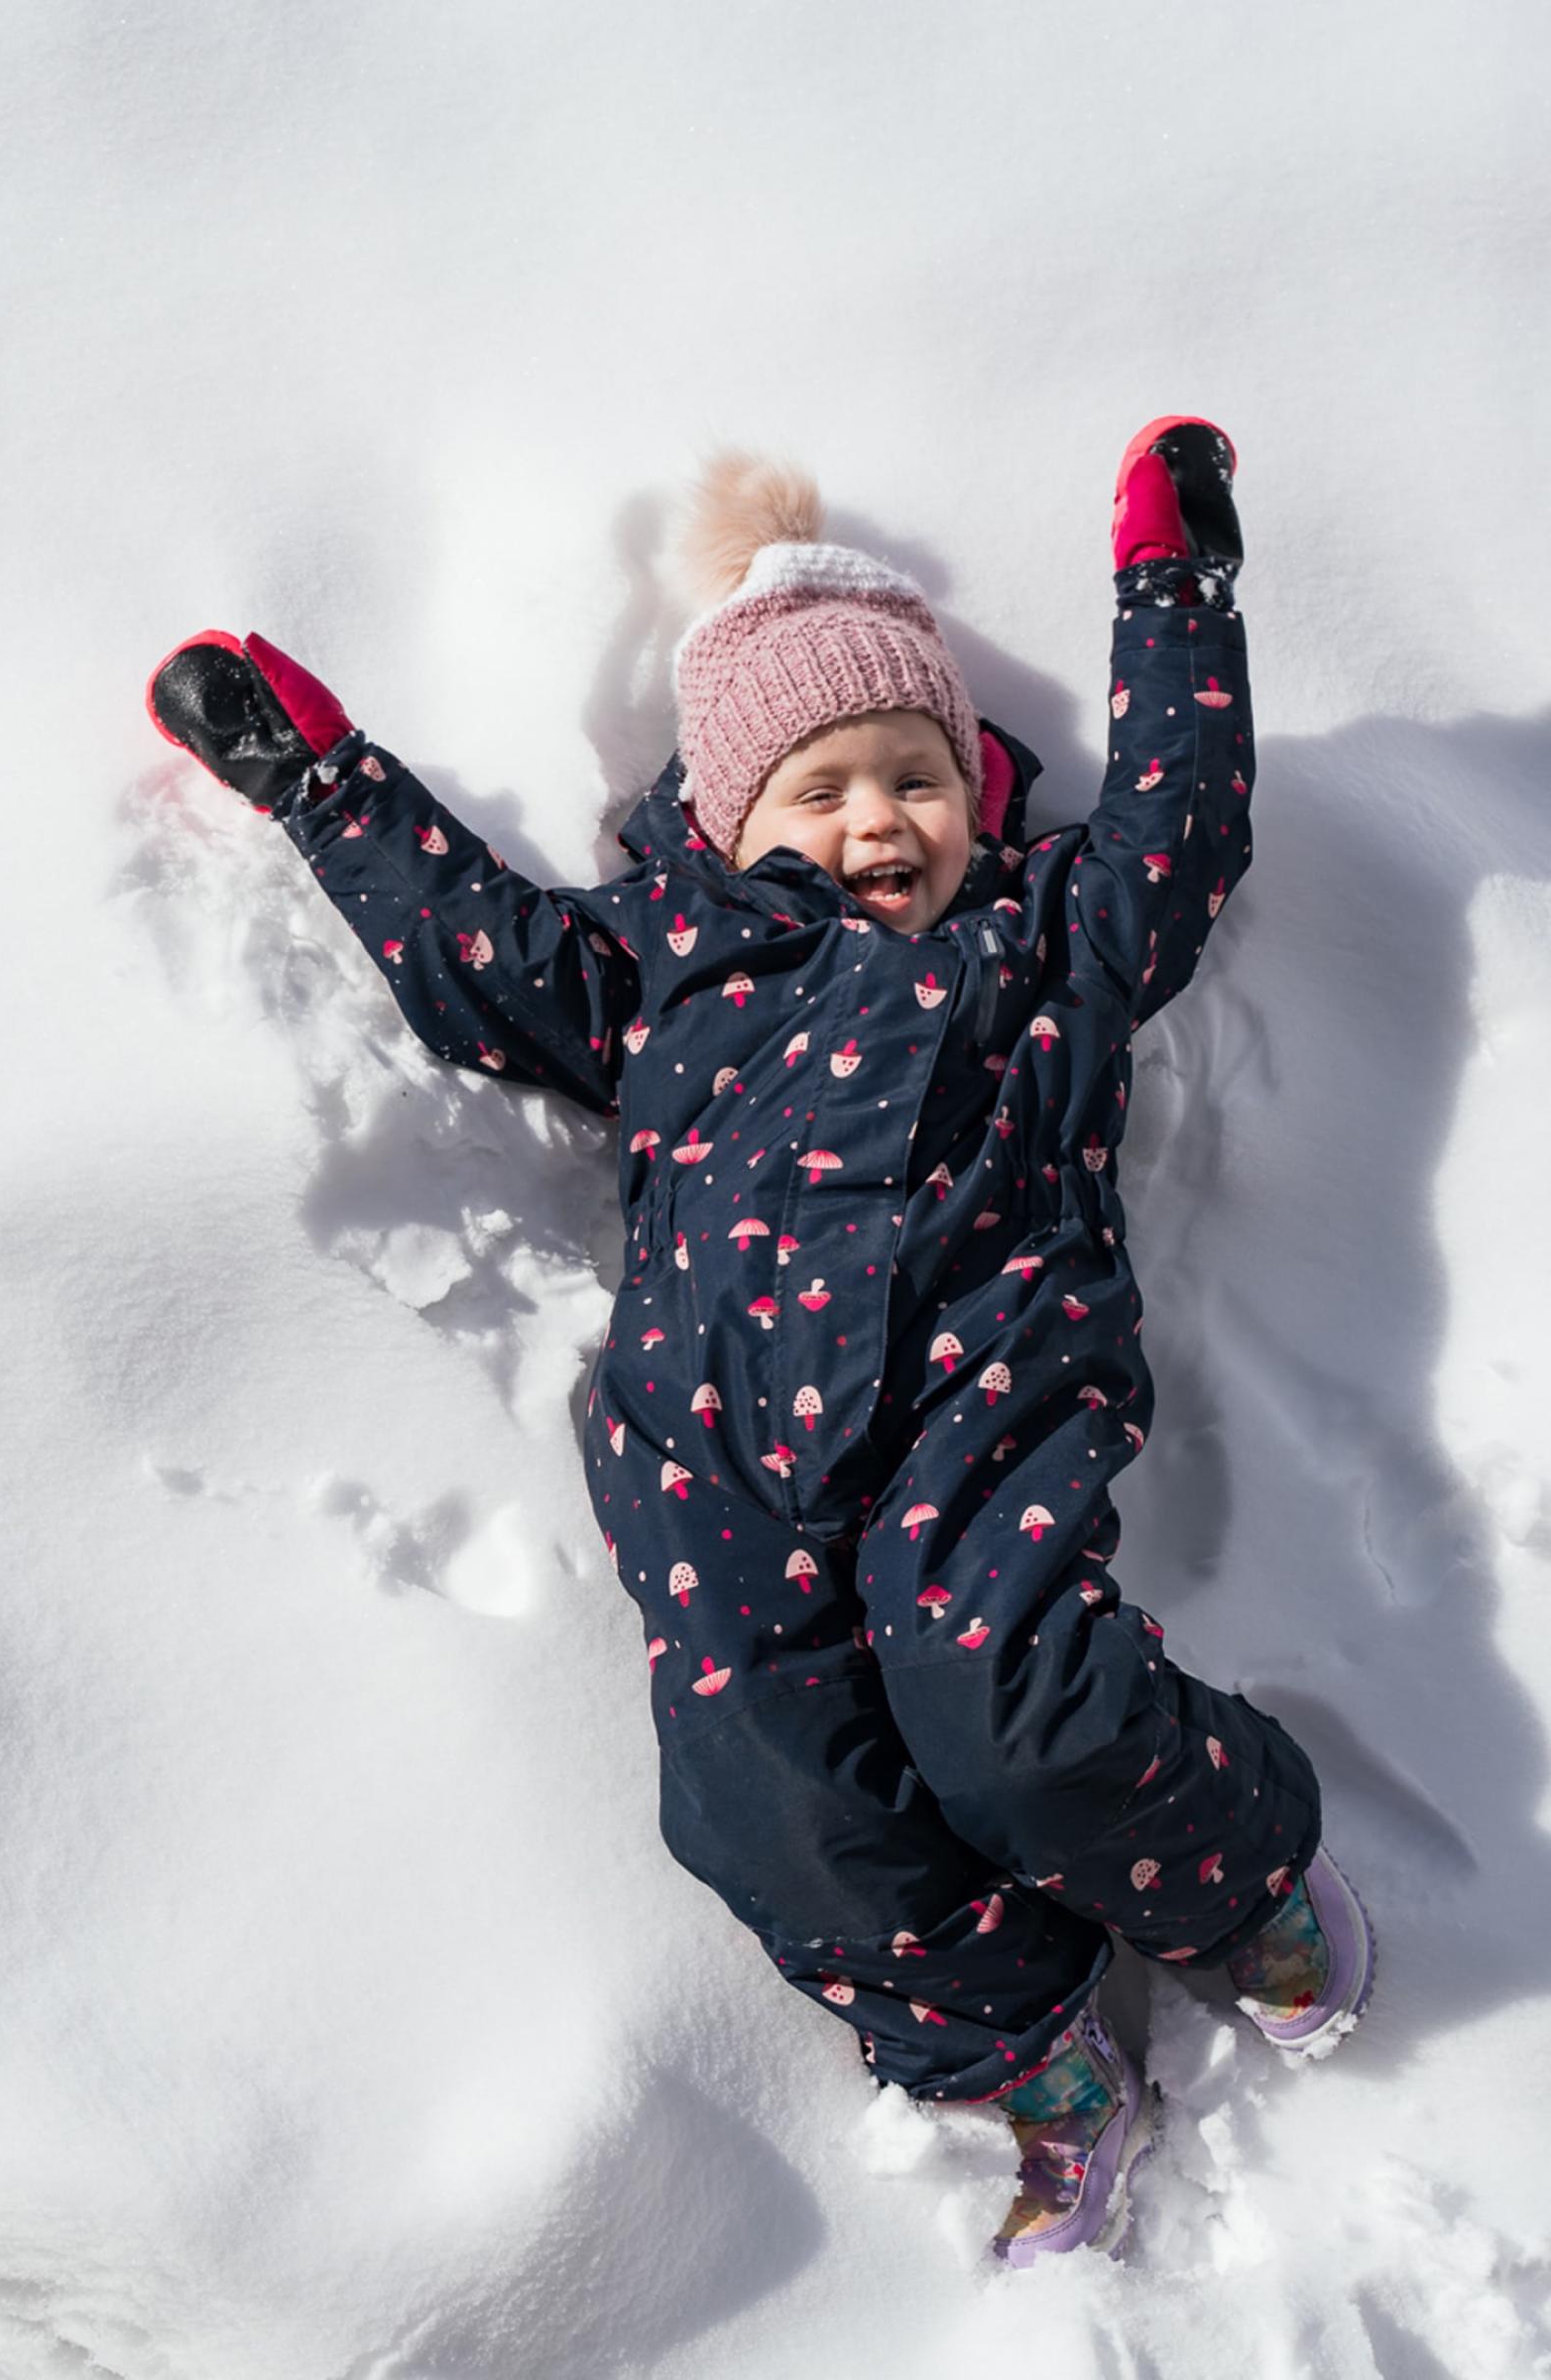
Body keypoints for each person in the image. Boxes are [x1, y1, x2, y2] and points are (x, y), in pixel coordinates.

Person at [145, 421, 1373, 2266]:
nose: (877, 822)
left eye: (914, 779)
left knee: (1016, 1713)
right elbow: (474, 954)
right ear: (724, 823)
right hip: (717, 1456)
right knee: (762, 1794)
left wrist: (1173, 588)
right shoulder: (660, 969)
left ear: (974, 794)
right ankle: (1023, 2055)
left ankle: (1232, 1880)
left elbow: (1183, 828)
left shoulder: (1044, 940)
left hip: (980, 1401)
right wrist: (326, 788)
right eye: (822, 789)